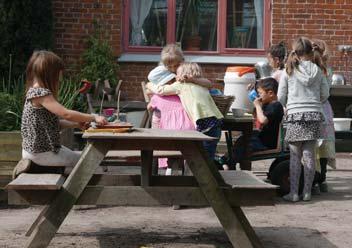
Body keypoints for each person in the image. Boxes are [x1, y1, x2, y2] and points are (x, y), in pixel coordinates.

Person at [17, 50, 107, 176]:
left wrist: (76, 124)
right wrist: (94, 117)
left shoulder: (34, 92)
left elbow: (53, 123)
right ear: (50, 73)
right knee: (90, 162)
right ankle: (83, 193)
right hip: (41, 153)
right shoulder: (40, 93)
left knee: (84, 158)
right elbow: (66, 114)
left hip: (39, 151)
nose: (60, 77)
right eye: (59, 73)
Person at [278, 37, 330, 202]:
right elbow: (325, 94)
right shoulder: (318, 71)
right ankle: (307, 192)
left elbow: (280, 96)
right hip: (314, 114)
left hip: (295, 115)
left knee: (295, 155)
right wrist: (315, 103)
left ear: (297, 52)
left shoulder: (289, 70)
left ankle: (293, 193)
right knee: (309, 154)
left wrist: (287, 105)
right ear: (310, 51)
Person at [146, 62, 223, 161]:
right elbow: (209, 83)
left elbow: (161, 90)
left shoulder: (180, 85)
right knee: (208, 156)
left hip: (202, 123)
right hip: (216, 121)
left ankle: (200, 175)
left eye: (177, 73)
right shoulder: (203, 85)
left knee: (201, 157)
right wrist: (193, 79)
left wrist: (150, 85)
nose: (176, 76)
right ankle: (211, 173)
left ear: (183, 75)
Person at [218, 77, 284, 170]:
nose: (259, 96)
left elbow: (263, 120)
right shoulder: (269, 104)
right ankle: (227, 161)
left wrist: (257, 105)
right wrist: (254, 89)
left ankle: (227, 163)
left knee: (244, 144)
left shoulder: (275, 106)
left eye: (260, 93)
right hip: (263, 139)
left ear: (270, 93)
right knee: (242, 139)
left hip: (267, 143)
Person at [147, 65, 195, 174]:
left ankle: (168, 170)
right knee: (187, 152)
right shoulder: (180, 91)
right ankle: (184, 172)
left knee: (162, 143)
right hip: (189, 127)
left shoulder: (157, 97)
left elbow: (149, 108)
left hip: (170, 131)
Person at [311, 38, 336, 193]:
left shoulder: (310, 70)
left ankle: (313, 180)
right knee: (324, 148)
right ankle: (322, 180)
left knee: (311, 147)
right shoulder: (327, 69)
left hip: (312, 109)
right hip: (325, 110)